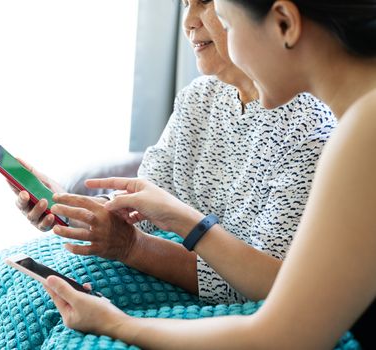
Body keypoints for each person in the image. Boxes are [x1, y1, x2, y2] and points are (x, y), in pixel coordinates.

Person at [42, 0, 376, 348]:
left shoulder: (358, 131)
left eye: (228, 24)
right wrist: (73, 209)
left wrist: (117, 324)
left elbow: (284, 334)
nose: (193, 26)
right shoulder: (360, 121)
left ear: (284, 24)